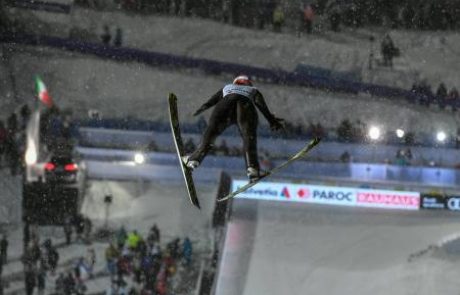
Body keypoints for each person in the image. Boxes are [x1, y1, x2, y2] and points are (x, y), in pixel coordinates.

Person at [182, 75, 285, 182]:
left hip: (226, 105)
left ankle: (194, 160)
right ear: (248, 83)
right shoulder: (253, 90)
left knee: (211, 132)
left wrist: (201, 109)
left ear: (235, 82)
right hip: (246, 107)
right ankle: (253, 169)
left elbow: (211, 101)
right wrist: (272, 121)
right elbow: (261, 105)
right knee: (248, 138)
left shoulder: (227, 87)